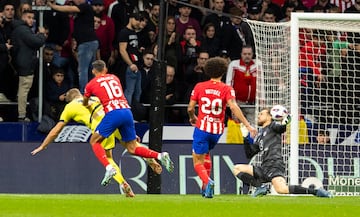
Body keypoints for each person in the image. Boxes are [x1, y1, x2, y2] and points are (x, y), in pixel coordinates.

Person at [31, 88, 162, 197]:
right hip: (114, 120)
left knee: (109, 157)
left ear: (70, 99)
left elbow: (56, 130)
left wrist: (43, 145)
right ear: (80, 94)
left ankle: (123, 183)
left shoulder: (70, 107)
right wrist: (130, 133)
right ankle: (149, 159)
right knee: (130, 145)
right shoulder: (95, 98)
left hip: (101, 128)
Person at [83, 60, 174, 185]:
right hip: (126, 112)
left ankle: (109, 168)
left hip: (112, 113)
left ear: (93, 71)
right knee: (132, 148)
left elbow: (85, 101)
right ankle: (160, 156)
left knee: (94, 141)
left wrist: (87, 104)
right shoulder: (115, 78)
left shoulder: (91, 84)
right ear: (105, 69)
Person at [187, 57, 256, 198]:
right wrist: (247, 125)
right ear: (223, 72)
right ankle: (205, 189)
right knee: (206, 154)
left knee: (196, 160)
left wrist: (192, 117)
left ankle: (208, 181)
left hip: (202, 128)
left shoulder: (200, 86)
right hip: (217, 131)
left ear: (207, 71)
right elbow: (234, 107)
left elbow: (190, 108)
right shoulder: (227, 88)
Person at [233, 107, 333, 198]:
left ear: (269, 116)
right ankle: (260, 187)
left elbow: (280, 128)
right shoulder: (259, 135)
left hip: (274, 164)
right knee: (237, 168)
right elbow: (249, 154)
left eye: (261, 114)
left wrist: (285, 122)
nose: (258, 116)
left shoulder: (273, 126)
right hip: (263, 167)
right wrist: (245, 138)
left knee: (282, 189)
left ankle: (316, 191)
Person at [47, 0, 99, 93]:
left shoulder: (85, 6)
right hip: (88, 42)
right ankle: (92, 93)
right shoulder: (80, 13)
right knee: (90, 70)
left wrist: (54, 7)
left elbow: (70, 8)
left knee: (83, 70)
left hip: (86, 42)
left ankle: (84, 93)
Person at [11, 9, 47, 122]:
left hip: (22, 62)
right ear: (23, 17)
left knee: (23, 89)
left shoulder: (20, 29)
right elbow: (37, 42)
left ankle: (21, 114)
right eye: (29, 17)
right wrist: (41, 34)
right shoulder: (23, 30)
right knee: (24, 90)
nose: (31, 20)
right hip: (25, 64)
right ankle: (21, 115)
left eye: (33, 18)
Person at [225, 46, 257, 126]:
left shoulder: (257, 65)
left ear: (252, 54)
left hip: (252, 104)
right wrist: (231, 102)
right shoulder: (234, 65)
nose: (247, 56)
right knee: (238, 128)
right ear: (241, 54)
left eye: (249, 54)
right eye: (245, 54)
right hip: (238, 104)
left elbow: (261, 84)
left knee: (252, 128)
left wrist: (261, 100)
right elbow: (229, 84)